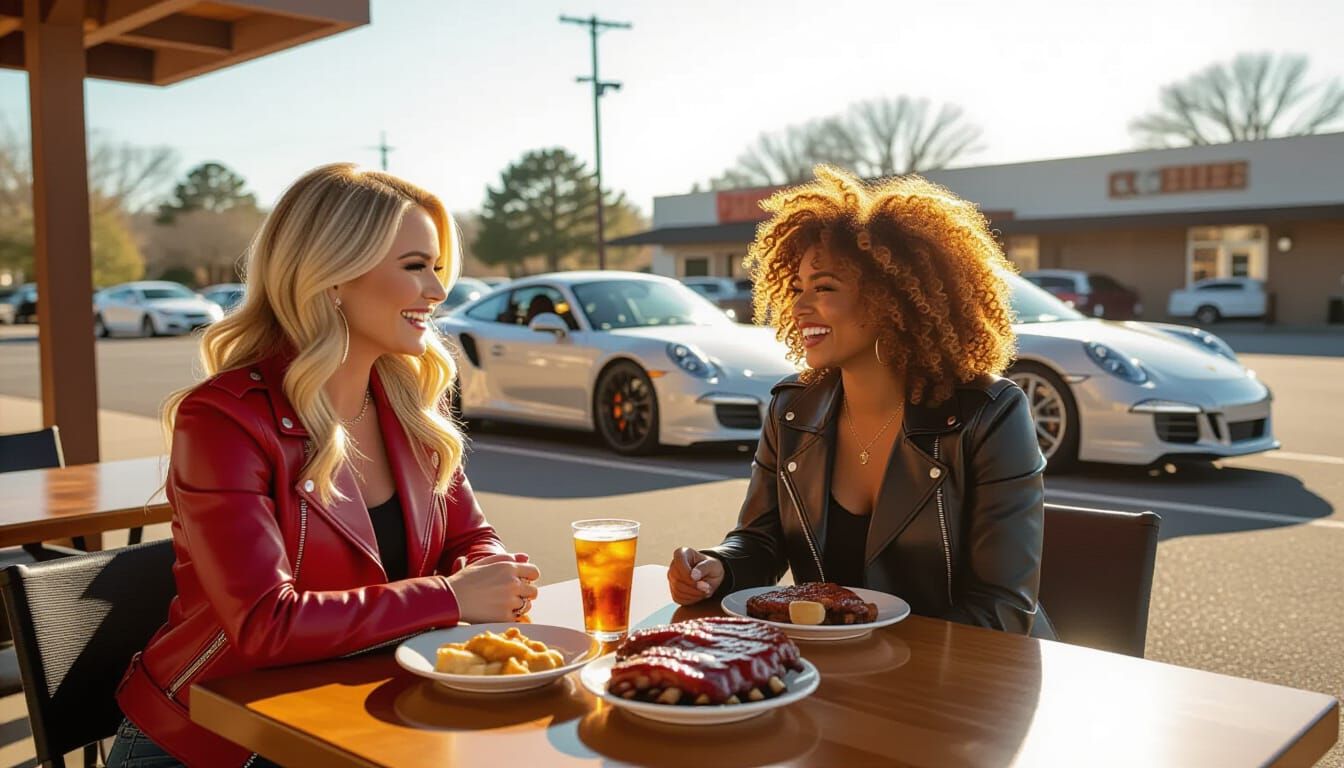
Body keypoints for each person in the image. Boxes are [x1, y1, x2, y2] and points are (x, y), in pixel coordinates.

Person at [109, 164, 540, 767]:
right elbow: (265, 623)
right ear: (334, 276)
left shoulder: (408, 404)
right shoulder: (223, 419)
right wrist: (452, 596)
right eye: (415, 266)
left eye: (437, 268)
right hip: (217, 743)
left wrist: (492, 574)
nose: (438, 292)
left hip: (361, 714)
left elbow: (470, 536)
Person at [668, 166, 1053, 638]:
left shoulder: (990, 414)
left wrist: (878, 649)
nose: (800, 306)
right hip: (839, 672)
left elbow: (1002, 608)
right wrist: (718, 568)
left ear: (893, 299)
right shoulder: (793, 410)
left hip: (970, 681)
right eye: (797, 289)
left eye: (824, 287)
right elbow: (760, 542)